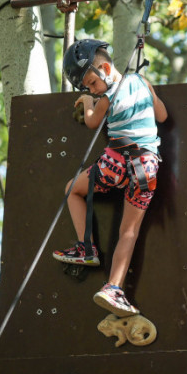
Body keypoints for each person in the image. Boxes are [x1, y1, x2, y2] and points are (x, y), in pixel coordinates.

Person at [52, 38, 168, 317]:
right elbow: (162, 116)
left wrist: (87, 102)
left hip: (115, 164)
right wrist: (149, 98)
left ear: (105, 68)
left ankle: (86, 248)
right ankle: (113, 289)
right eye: (88, 88)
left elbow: (92, 121)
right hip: (147, 168)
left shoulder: (106, 98)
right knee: (129, 232)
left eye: (92, 83)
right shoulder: (143, 83)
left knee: (72, 190)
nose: (92, 89)